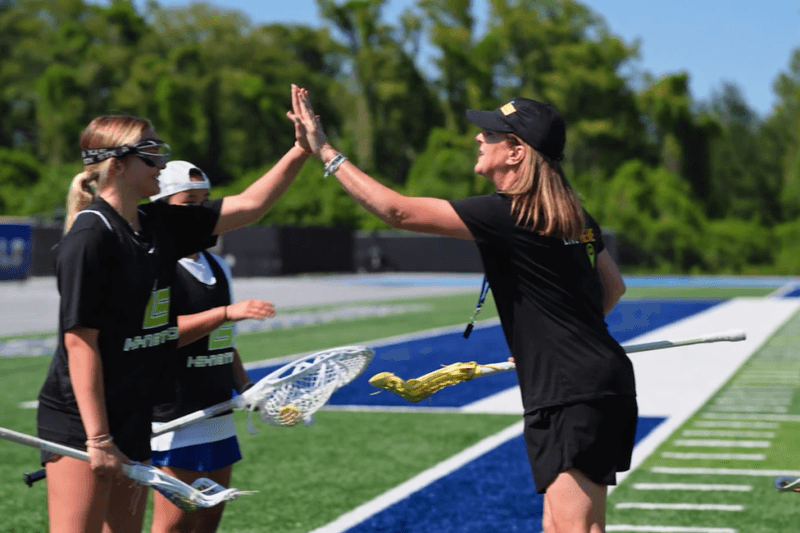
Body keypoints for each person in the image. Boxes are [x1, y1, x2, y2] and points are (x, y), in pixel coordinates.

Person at [290, 85, 633, 533]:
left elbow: (397, 212)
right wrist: (554, 342)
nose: (479, 138)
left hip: (570, 388)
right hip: (589, 380)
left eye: (490, 134)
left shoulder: (509, 213)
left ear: (516, 152)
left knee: (574, 528)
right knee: (563, 525)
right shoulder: (575, 215)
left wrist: (325, 151)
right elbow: (614, 286)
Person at [37, 94, 312, 533]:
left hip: (131, 410)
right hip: (80, 419)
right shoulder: (91, 236)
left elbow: (248, 206)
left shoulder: (156, 224)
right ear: (117, 164)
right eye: (149, 153)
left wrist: (301, 150)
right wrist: (98, 437)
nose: (160, 164)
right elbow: (79, 341)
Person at [148, 161, 274, 533]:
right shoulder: (156, 264)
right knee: (173, 525)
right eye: (190, 201)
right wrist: (224, 312)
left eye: (206, 201)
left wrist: (247, 386)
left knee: (208, 523)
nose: (201, 212)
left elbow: (223, 342)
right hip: (175, 416)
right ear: (162, 206)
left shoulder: (219, 265)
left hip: (216, 411)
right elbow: (161, 336)